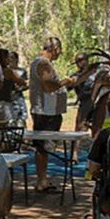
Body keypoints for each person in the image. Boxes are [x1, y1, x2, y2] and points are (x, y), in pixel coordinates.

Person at [29, 37, 74, 192]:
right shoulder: (43, 64)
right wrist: (64, 82)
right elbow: (48, 86)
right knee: (43, 148)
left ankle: (43, 180)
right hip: (45, 113)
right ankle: (41, 181)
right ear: (54, 48)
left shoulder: (44, 63)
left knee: (44, 148)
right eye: (59, 50)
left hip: (49, 112)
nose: (60, 53)